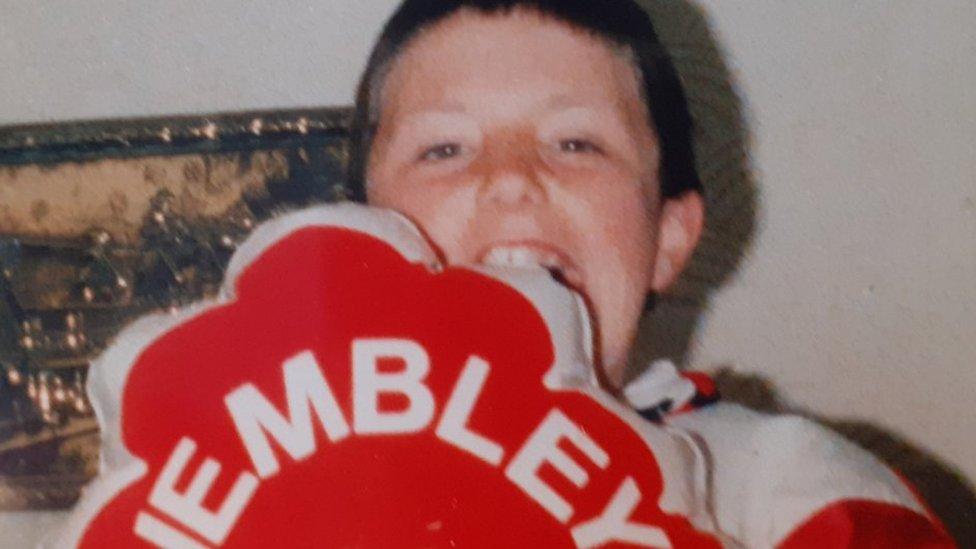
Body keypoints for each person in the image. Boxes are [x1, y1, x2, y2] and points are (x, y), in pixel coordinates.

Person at [345, 0, 955, 546]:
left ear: (668, 238)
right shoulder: (280, 460)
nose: (510, 178)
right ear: (356, 241)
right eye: (444, 149)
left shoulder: (794, 492)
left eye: (575, 143)